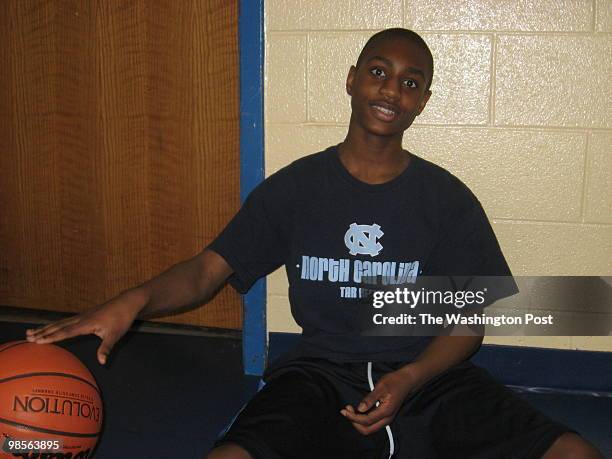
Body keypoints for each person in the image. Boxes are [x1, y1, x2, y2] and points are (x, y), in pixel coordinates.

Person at [27, 28, 603, 459]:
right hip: (320, 374)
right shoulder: (297, 188)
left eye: (411, 81)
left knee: (573, 452)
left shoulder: (445, 199)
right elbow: (207, 269)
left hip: (428, 376)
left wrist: (407, 380)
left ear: (423, 100)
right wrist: (133, 300)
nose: (392, 90)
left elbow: (466, 324)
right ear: (351, 78)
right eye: (379, 71)